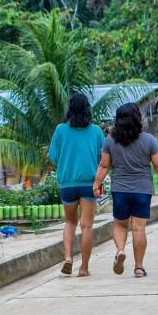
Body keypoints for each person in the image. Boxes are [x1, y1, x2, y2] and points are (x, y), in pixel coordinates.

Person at [93, 102, 158, 278]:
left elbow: (104, 165)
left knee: (120, 224)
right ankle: (138, 267)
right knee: (138, 229)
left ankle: (120, 250)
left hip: (120, 190)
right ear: (138, 118)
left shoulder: (110, 141)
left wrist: (96, 184)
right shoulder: (149, 140)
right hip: (142, 190)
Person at [48, 93, 105, 277]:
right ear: (88, 108)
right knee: (87, 226)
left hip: (67, 184)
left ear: (70, 109)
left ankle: (68, 258)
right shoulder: (96, 131)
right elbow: (103, 159)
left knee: (70, 222)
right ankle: (84, 268)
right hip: (89, 184)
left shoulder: (60, 130)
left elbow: (54, 157)